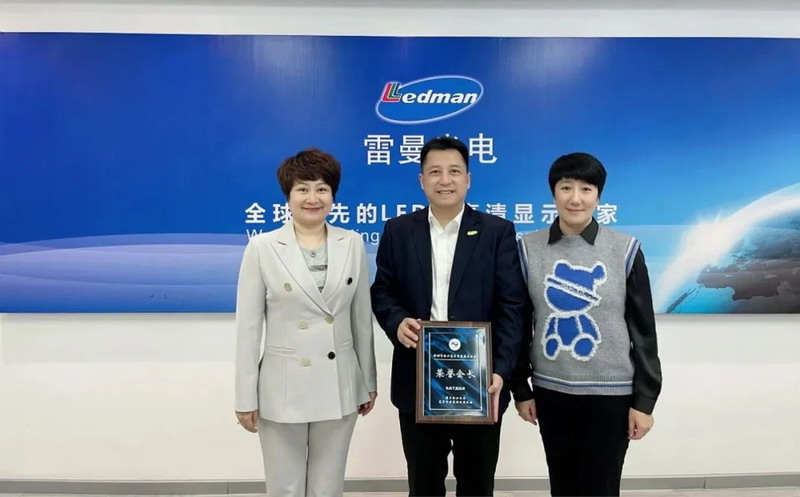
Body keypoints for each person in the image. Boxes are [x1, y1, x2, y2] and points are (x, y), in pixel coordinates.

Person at [370, 136, 528, 496]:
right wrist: (397, 321)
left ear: (468, 179)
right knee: (423, 484)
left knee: (477, 484)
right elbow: (382, 291)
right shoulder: (399, 230)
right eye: (435, 172)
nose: (445, 180)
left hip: (480, 381)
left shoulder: (496, 232)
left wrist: (501, 370)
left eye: (454, 171)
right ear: (421, 180)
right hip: (419, 380)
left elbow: (512, 307)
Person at [511, 152, 663, 497]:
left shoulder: (624, 249)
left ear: (598, 195)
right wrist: (521, 389)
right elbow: (519, 324)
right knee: (563, 484)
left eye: (586, 189)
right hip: (551, 391)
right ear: (553, 193)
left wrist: (644, 401)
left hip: (611, 395)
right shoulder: (529, 248)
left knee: (602, 486)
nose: (575, 198)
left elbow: (643, 332)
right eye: (566, 187)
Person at [234, 148, 377, 497]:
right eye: (302, 189)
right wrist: (245, 396)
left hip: (339, 381)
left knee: (328, 486)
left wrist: (368, 381)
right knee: (285, 486)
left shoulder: (352, 243)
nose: (313, 198)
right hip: (282, 386)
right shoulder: (263, 247)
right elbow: (248, 330)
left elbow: (361, 319)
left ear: (333, 195)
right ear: (288, 195)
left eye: (322, 189)